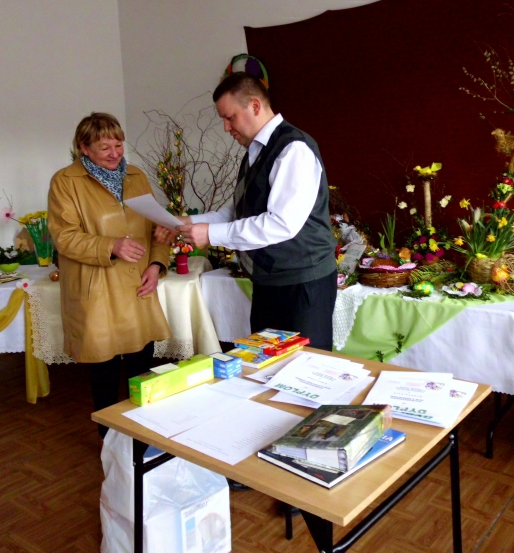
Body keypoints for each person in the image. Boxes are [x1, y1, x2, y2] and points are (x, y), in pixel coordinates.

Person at [178, 72, 337, 350]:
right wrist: (189, 222)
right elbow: (238, 212)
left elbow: (281, 224)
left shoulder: (294, 148)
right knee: (265, 363)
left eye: (230, 117)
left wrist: (211, 234)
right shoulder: (255, 152)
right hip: (269, 282)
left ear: (254, 105)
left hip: (302, 283)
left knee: (303, 367)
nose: (226, 127)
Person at [48, 112, 172, 437]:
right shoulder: (65, 182)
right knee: (104, 376)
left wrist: (157, 265)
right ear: (83, 148)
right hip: (97, 293)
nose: (115, 153)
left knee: (142, 372)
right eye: (105, 147)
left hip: (138, 288)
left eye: (118, 145)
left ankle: (145, 437)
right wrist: (110, 246)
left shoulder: (136, 175)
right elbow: (64, 237)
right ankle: (111, 442)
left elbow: (157, 229)